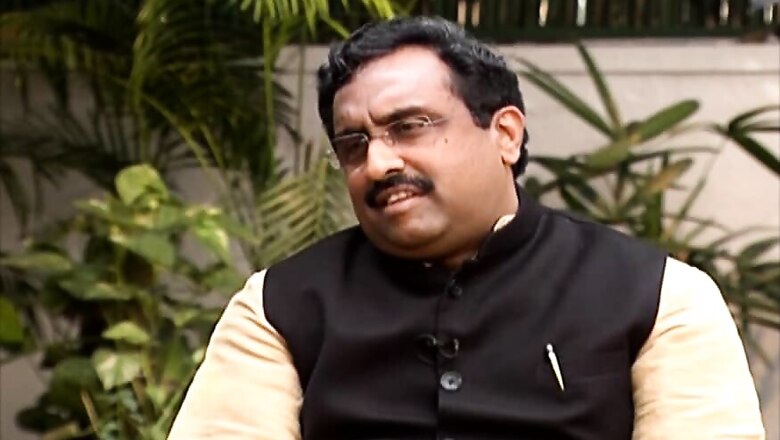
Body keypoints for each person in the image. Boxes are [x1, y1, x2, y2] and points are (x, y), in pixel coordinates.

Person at [168, 16, 765, 439]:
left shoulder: (659, 298)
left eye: (410, 127)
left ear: (505, 134)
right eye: (354, 144)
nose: (378, 163)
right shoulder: (278, 308)